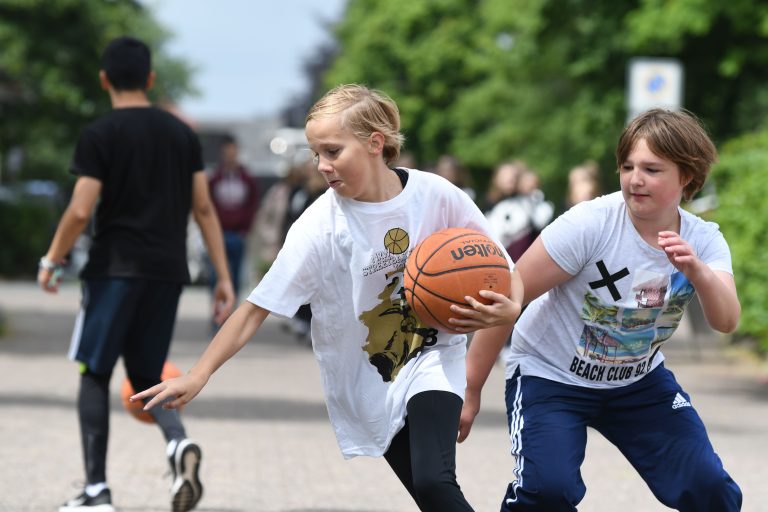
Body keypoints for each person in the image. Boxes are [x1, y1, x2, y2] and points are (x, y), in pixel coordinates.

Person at [132, 83, 523, 512]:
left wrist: (512, 304)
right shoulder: (320, 225)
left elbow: (505, 270)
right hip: (372, 378)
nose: (321, 165)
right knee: (431, 496)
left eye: (333, 151)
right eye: (316, 153)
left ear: (375, 144)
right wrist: (199, 373)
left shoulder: (436, 195)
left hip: (433, 359)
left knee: (434, 482)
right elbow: (256, 309)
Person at [455, 108, 742, 511]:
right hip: (551, 375)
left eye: (652, 169)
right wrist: (470, 389)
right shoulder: (590, 225)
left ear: (687, 176)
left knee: (709, 487)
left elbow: (726, 321)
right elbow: (508, 297)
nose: (635, 179)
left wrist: (699, 273)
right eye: (627, 166)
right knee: (549, 490)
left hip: (638, 381)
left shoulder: (704, 240)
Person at [37, 36, 235, 512]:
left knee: (93, 373)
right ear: (149, 78)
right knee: (147, 373)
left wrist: (51, 259)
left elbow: (80, 210)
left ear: (104, 79)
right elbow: (203, 208)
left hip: (114, 271)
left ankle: (96, 492)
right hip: (167, 273)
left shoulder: (100, 133)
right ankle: (177, 443)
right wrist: (224, 277)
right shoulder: (182, 135)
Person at [207, 134, 260, 306]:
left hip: (238, 234)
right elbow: (208, 205)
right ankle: (216, 310)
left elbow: (252, 205)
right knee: (215, 275)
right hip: (218, 233)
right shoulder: (215, 178)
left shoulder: (247, 179)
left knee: (235, 275)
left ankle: (231, 309)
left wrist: (245, 229)